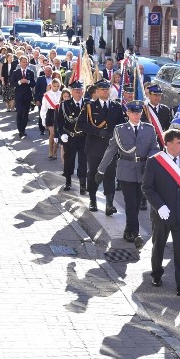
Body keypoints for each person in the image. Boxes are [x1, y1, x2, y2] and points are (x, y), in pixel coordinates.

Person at [142, 129, 180, 297]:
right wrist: (159, 205)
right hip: (163, 214)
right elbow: (147, 187)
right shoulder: (155, 161)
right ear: (168, 144)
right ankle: (156, 274)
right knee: (159, 246)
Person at [96, 100, 159, 248]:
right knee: (130, 203)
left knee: (136, 204)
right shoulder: (120, 130)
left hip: (143, 170)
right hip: (126, 170)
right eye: (134, 112)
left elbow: (155, 148)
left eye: (139, 112)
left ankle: (128, 230)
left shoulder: (149, 129)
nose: (137, 115)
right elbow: (110, 150)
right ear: (128, 113)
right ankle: (135, 233)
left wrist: (150, 161)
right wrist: (101, 170)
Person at [80, 79, 126, 214]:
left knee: (110, 174)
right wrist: (97, 131)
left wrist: (113, 134)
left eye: (107, 89)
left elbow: (121, 125)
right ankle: (93, 200)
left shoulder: (116, 106)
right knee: (93, 173)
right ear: (97, 91)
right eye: (102, 89)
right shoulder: (89, 106)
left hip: (110, 147)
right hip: (94, 146)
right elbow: (81, 125)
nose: (105, 91)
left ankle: (109, 204)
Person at [55, 81, 87, 193]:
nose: (78, 92)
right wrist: (61, 134)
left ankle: (83, 184)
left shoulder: (88, 105)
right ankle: (68, 181)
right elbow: (59, 122)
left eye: (80, 90)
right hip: (70, 137)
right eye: (76, 90)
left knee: (83, 161)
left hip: (84, 137)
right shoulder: (65, 105)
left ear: (83, 91)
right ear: (72, 92)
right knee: (69, 160)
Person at [10, 55, 36, 138]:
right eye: (23, 62)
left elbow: (33, 84)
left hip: (27, 96)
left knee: (25, 113)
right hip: (19, 95)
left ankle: (23, 129)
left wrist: (28, 81)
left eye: (26, 62)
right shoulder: (16, 72)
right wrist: (19, 82)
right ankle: (20, 129)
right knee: (20, 112)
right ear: (20, 63)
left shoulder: (30, 72)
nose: (25, 63)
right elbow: (12, 84)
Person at [40, 78, 62, 160]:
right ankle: (50, 151)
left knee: (57, 133)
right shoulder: (47, 95)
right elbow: (43, 108)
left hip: (59, 114)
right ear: (51, 86)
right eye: (54, 86)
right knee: (52, 133)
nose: (56, 87)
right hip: (50, 113)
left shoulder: (61, 94)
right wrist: (43, 120)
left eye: (57, 86)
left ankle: (55, 151)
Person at [34, 66, 53, 135]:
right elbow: (37, 90)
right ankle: (42, 129)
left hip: (52, 100)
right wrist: (37, 100)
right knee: (42, 114)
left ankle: (49, 128)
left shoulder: (53, 79)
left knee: (50, 114)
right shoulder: (40, 79)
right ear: (44, 71)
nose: (48, 72)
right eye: (46, 71)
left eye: (49, 71)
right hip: (42, 99)